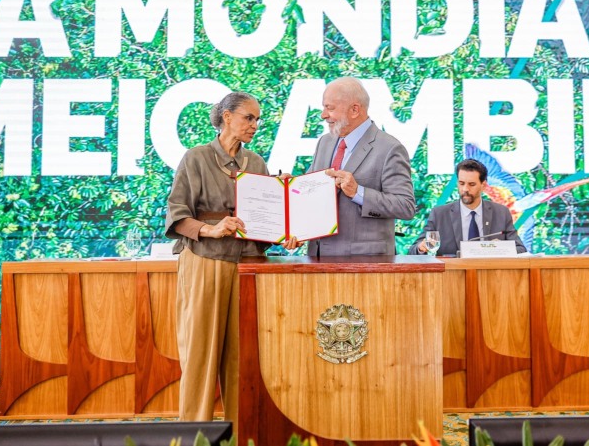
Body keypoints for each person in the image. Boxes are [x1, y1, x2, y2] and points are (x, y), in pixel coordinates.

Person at [164, 91, 268, 422]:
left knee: (242, 357)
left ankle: (241, 435)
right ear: (226, 117)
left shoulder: (257, 163)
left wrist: (286, 234)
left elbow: (268, 218)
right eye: (248, 117)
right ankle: (194, 433)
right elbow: (176, 213)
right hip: (204, 262)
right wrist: (211, 229)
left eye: (257, 119)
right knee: (200, 354)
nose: (255, 125)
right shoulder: (195, 158)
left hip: (246, 266)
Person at [285, 77, 415, 255]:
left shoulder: (390, 148)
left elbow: (405, 206)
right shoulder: (325, 142)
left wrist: (358, 192)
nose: (323, 115)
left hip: (364, 264)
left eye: (329, 108)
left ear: (355, 110)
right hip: (317, 259)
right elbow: (312, 192)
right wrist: (292, 187)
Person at [409, 158, 527, 256]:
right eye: (461, 183)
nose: (465, 189)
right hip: (452, 278)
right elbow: (413, 251)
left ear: (483, 185)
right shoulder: (440, 214)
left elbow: (521, 250)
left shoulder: (501, 213)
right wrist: (421, 248)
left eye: (471, 184)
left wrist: (499, 249)